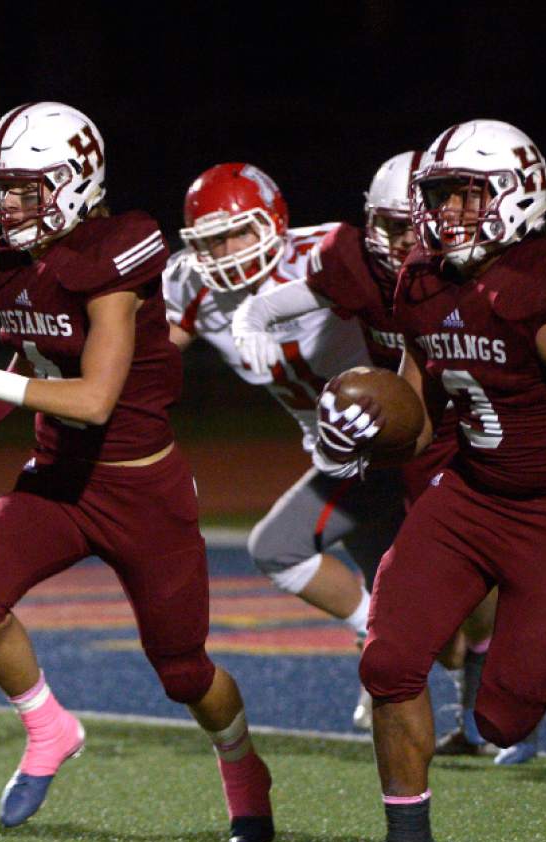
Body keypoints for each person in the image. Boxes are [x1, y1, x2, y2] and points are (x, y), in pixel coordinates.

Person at [0, 102, 274, 842]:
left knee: (181, 670)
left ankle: (242, 766)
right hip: (60, 480)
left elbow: (96, 396)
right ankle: (48, 726)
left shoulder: (116, 253)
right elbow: (39, 351)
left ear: (74, 184)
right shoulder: (8, 257)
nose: (3, 205)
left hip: (140, 488)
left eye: (22, 188)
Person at [312, 119, 546, 842]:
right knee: (391, 661)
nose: (453, 215)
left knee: (502, 722)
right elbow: (420, 416)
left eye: (471, 195)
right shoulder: (422, 282)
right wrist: (365, 434)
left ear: (519, 192)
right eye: (441, 197)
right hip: (468, 495)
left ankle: (508, 658)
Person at [231, 153, 536, 762]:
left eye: (410, 226)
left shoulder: (469, 274)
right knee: (288, 549)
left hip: (463, 448)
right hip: (387, 451)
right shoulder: (353, 265)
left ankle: (492, 703)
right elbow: (260, 309)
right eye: (388, 225)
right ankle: (401, 663)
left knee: (473, 596)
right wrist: (252, 343)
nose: (399, 241)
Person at [165, 162, 407, 730]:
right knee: (404, 607)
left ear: (272, 220)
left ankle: (415, 662)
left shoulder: (326, 255)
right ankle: (398, 651)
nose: (223, 252)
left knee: (281, 548)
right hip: (336, 457)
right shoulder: (192, 283)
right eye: (210, 241)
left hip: (394, 444)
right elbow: (147, 362)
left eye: (236, 233)